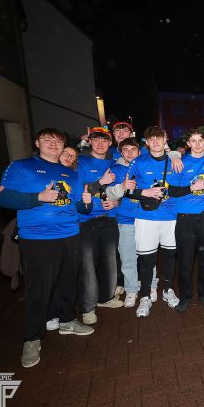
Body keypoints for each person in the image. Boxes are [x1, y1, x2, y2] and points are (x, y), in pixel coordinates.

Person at [0, 128, 94, 368]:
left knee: (68, 283)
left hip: (70, 235)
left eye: (58, 141)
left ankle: (67, 321)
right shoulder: (22, 167)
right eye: (47, 139)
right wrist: (38, 197)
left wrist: (87, 204)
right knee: (38, 289)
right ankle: (32, 337)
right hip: (37, 238)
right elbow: (4, 198)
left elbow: (78, 207)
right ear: (37, 143)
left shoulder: (70, 173)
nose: (53, 144)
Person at [166, 128, 204, 311]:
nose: (198, 144)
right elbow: (170, 191)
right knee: (185, 260)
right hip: (185, 217)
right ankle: (185, 296)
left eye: (201, 140)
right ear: (188, 143)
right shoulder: (180, 163)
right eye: (194, 140)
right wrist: (192, 188)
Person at [126, 126, 180, 317]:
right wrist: (145, 192)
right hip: (146, 218)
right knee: (147, 260)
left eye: (159, 138)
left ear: (165, 139)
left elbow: (182, 187)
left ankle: (167, 290)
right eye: (151, 139)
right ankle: (145, 297)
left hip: (171, 217)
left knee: (169, 257)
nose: (155, 142)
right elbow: (127, 190)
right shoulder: (138, 162)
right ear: (146, 142)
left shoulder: (175, 161)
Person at [76, 127, 124, 325]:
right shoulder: (80, 162)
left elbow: (122, 189)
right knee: (88, 265)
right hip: (86, 220)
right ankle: (88, 308)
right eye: (96, 140)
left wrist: (116, 202)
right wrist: (100, 181)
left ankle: (106, 297)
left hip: (109, 218)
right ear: (90, 142)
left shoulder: (115, 163)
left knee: (110, 262)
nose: (100, 144)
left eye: (104, 140)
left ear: (110, 143)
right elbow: (77, 190)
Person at [105, 138, 159, 307]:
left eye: (133, 149)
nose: (129, 153)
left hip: (146, 218)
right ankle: (131, 289)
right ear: (121, 152)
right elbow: (107, 193)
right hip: (126, 220)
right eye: (125, 150)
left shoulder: (147, 165)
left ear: (139, 151)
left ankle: (151, 285)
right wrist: (122, 187)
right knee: (128, 258)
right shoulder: (115, 170)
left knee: (148, 256)